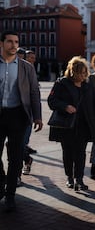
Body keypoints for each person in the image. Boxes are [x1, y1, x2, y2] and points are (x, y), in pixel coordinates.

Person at [0, 30, 43, 212]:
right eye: (9, 41)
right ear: (2, 43)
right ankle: (2, 180)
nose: (13, 45)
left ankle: (10, 196)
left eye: (16, 42)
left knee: (15, 158)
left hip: (18, 115)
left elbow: (34, 92)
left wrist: (38, 115)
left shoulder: (27, 67)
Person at [48, 56, 95, 191]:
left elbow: (94, 104)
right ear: (73, 71)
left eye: (84, 73)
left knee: (81, 152)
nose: (83, 76)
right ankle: (70, 178)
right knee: (68, 152)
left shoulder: (87, 86)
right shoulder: (61, 84)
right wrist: (65, 106)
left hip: (84, 124)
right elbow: (51, 101)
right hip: (67, 124)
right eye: (80, 73)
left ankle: (79, 179)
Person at [21, 50, 38, 179]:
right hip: (9, 114)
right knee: (12, 145)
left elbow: (34, 94)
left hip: (26, 114)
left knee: (19, 144)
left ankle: (25, 161)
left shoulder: (30, 70)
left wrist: (37, 117)